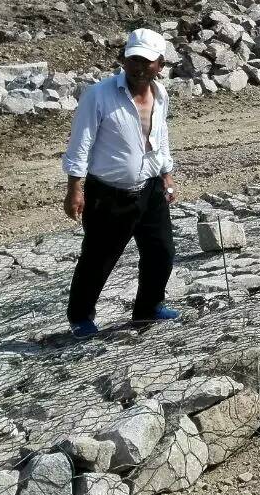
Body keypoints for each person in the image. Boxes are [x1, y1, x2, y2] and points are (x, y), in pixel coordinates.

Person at [62, 29, 179, 338]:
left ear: (160, 65)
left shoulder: (161, 94)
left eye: (146, 61)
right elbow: (80, 144)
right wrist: (75, 188)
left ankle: (149, 307)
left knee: (161, 251)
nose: (138, 67)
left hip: (151, 187)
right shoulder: (99, 96)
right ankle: (81, 317)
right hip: (109, 195)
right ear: (123, 60)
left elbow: (160, 136)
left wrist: (166, 175)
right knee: (99, 258)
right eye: (132, 59)